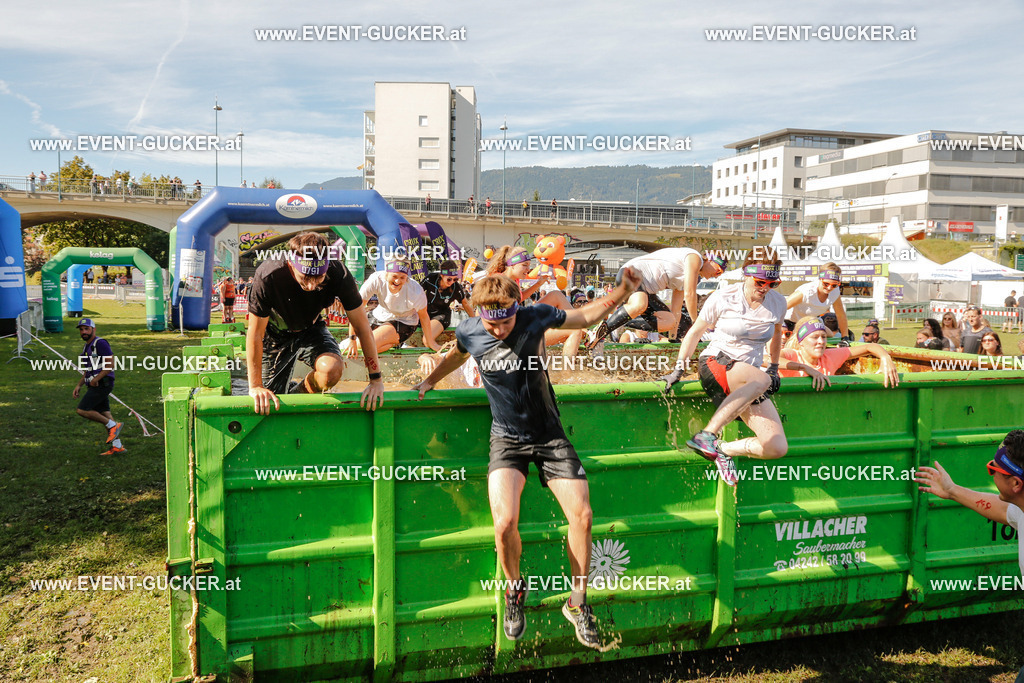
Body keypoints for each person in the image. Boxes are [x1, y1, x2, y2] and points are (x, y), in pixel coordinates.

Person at [413, 268, 643, 650]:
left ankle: (577, 603)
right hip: (506, 438)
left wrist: (621, 291)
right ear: (480, 314)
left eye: (506, 322)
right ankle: (514, 590)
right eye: (493, 324)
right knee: (504, 523)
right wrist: (429, 380)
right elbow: (456, 354)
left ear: (515, 310)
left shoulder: (534, 316)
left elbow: (585, 317)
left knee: (583, 517)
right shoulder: (471, 329)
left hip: (549, 435)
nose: (500, 330)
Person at [661, 249, 788, 485]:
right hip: (715, 363)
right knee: (762, 381)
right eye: (760, 282)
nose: (765, 288)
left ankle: (723, 449)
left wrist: (774, 365)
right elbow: (695, 332)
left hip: (748, 380)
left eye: (773, 284)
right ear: (745, 274)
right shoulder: (724, 296)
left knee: (776, 447)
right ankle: (707, 435)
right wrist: (679, 369)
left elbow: (778, 333)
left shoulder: (778, 302)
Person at [915, 431, 1024, 682]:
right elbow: (999, 508)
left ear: (1016, 484)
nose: (991, 474)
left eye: (993, 469)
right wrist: (952, 491)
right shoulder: (1021, 510)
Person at [246, 232, 384, 414]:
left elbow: (362, 326)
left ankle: (297, 393)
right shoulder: (268, 275)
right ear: (291, 264)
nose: (311, 286)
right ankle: (283, 390)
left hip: (311, 329)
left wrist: (376, 380)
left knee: (331, 371)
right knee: (268, 402)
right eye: (305, 278)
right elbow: (256, 334)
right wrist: (255, 386)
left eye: (319, 278)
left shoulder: (339, 273)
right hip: (275, 334)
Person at [588, 248, 727, 348]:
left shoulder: (687, 278)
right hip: (631, 273)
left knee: (669, 321)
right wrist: (697, 325)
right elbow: (690, 295)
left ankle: (619, 322)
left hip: (646, 290)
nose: (717, 275)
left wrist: (674, 339)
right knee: (639, 305)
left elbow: (676, 310)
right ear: (709, 259)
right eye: (718, 271)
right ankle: (603, 330)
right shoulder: (694, 258)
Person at [349, 260, 440, 355]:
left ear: (407, 278)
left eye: (402, 277)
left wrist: (430, 342)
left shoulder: (415, 291)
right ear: (386, 274)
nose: (397, 281)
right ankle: (396, 344)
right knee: (348, 346)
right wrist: (352, 339)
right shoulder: (376, 280)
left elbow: (424, 317)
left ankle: (396, 343)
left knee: (365, 345)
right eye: (394, 276)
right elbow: (357, 309)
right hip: (380, 315)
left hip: (404, 321)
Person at [780, 316, 900, 387]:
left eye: (824, 337)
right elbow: (768, 360)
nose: (821, 341)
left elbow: (868, 347)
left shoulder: (829, 356)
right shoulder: (792, 355)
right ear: (801, 341)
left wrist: (885, 358)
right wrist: (805, 368)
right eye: (815, 337)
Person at [73, 319, 126, 455]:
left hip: (103, 384)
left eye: (86, 329)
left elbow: (110, 365)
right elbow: (88, 369)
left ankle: (113, 425)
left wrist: (96, 379)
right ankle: (117, 446)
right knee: (105, 414)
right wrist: (79, 385)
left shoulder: (100, 343)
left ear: (93, 329)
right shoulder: (87, 347)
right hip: (94, 384)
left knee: (82, 409)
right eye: (81, 329)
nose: (83, 332)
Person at [784, 263, 850, 339]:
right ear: (820, 279)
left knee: (829, 334)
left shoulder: (835, 291)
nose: (829, 288)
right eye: (826, 284)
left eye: (834, 285)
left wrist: (845, 337)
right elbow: (781, 307)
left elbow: (841, 315)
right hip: (791, 322)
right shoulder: (806, 292)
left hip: (811, 321)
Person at [422, 259, 476, 341]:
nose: (452, 282)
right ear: (442, 275)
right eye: (449, 279)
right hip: (426, 312)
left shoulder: (456, 287)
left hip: (442, 314)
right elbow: (416, 294)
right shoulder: (430, 279)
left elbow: (466, 305)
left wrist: (475, 322)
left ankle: (443, 353)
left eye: (455, 279)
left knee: (427, 340)